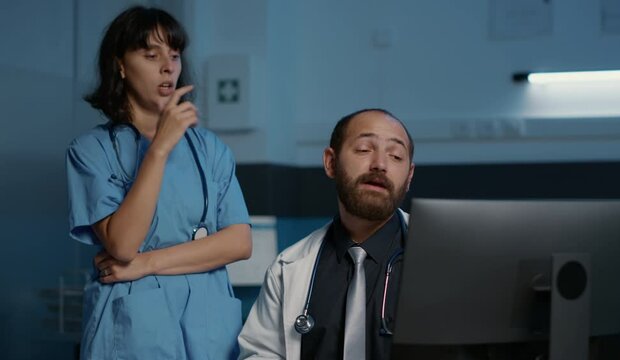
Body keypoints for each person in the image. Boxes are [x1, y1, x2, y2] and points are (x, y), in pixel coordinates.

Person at [65, 6, 252, 359]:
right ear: (120, 64)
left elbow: (239, 242)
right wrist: (160, 148)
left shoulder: (209, 149)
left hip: (210, 330)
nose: (169, 67)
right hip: (134, 332)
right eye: (151, 55)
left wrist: (145, 264)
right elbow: (122, 245)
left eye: (175, 55)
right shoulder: (91, 150)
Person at [238, 109, 415, 360]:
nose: (380, 164)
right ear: (331, 163)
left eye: (396, 155)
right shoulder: (288, 268)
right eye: (364, 149)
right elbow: (259, 354)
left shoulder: (444, 257)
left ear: (409, 177)